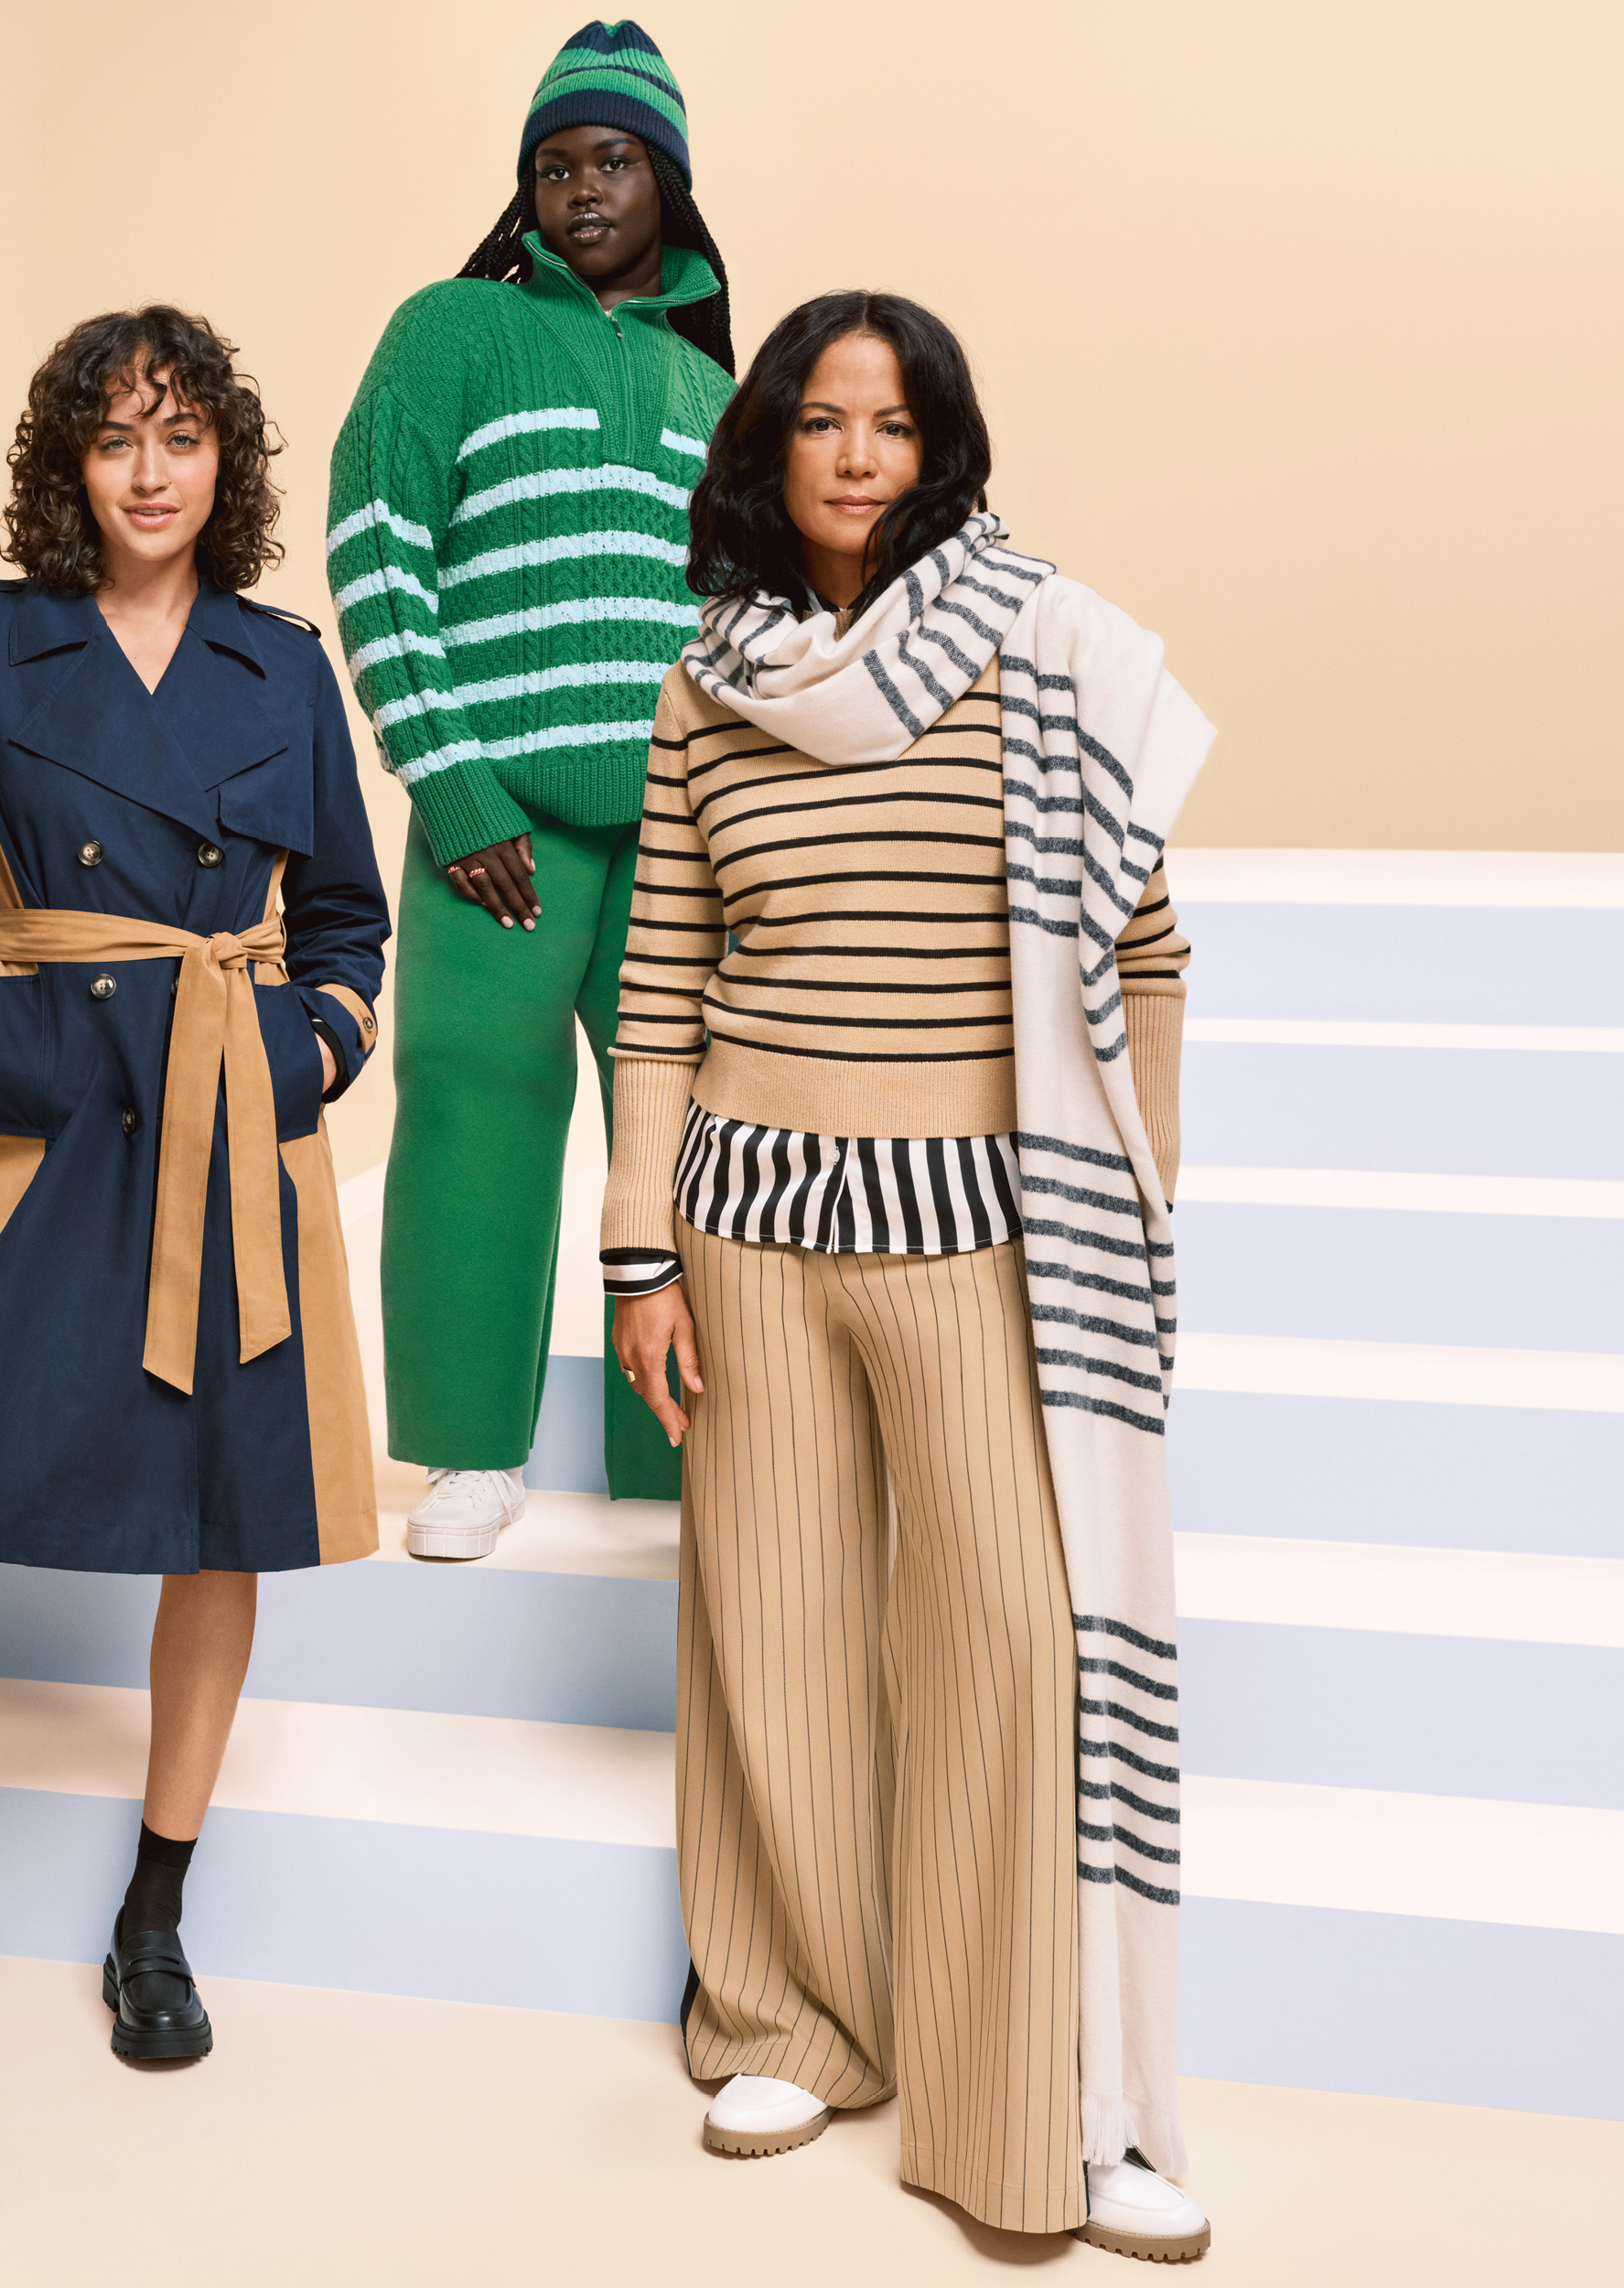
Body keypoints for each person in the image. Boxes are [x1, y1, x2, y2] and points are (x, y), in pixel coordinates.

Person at [603, 290, 1213, 2261]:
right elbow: (662, 986)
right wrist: (639, 1249)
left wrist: (1136, 1201)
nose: (854, 453)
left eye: (890, 421)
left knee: (1006, 1652)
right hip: (751, 1223)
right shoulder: (704, 684)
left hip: (980, 1225)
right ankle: (788, 2012)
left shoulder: (1048, 653)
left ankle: (1027, 2083)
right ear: (768, 443)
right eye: (819, 418)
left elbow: (1148, 951)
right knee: (768, 1630)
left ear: (938, 444)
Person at [0, 308, 392, 2124]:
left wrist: (311, 1049)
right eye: (115, 438)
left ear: (224, 461)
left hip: (232, 1135)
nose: (151, 468)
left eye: (181, 436)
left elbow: (349, 912)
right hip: (53, 1115)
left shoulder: (281, 665)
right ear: (67, 467)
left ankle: (157, 1912)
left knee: (219, 1524)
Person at [327, 19, 736, 1561]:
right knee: (473, 1114)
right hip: (492, 825)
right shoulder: (449, 329)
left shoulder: (716, 384)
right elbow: (376, 550)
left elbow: (747, 612)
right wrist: (453, 784)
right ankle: (467, 1454)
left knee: (696, 1139)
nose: (578, 188)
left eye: (610, 161)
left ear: (667, 182)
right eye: (551, 165)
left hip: (682, 838)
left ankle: (687, 1458)